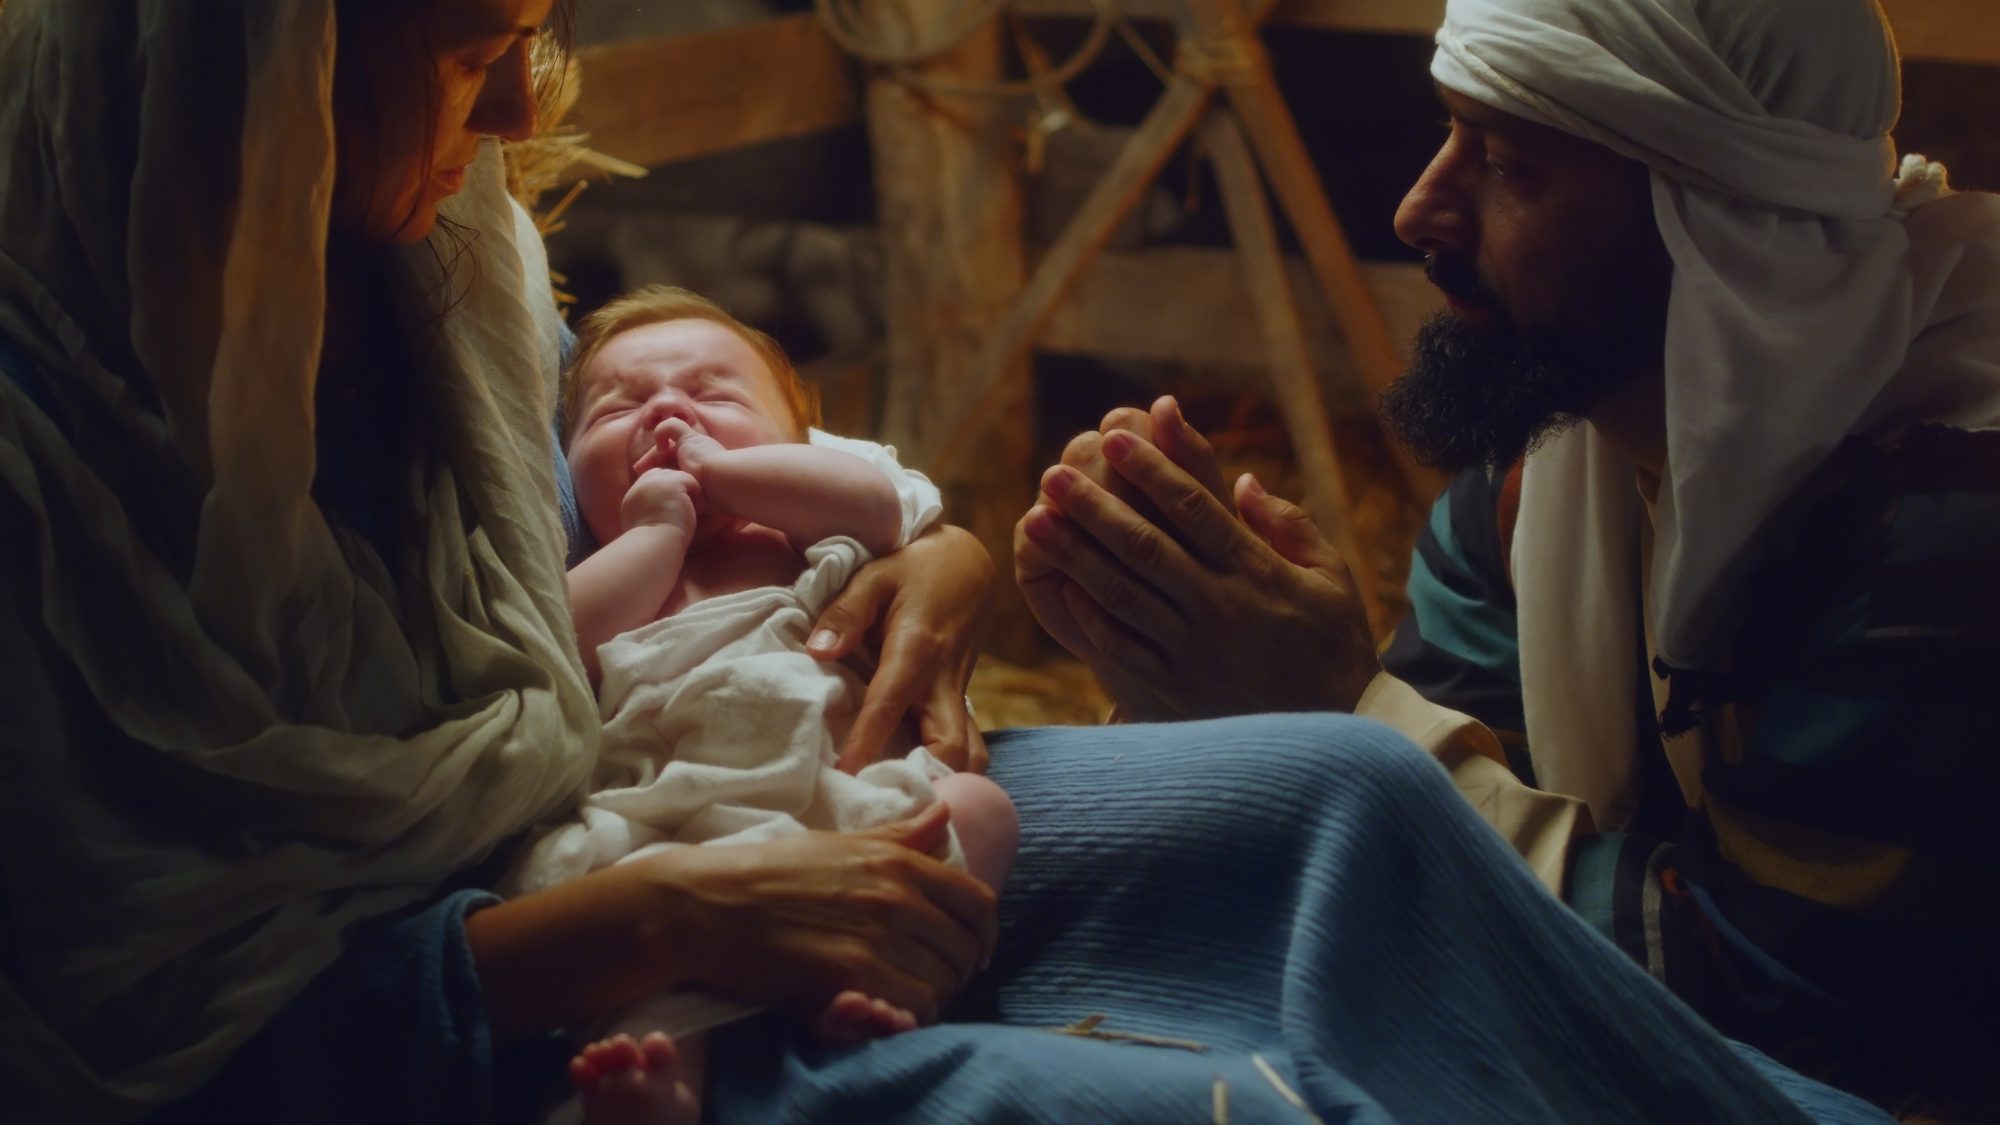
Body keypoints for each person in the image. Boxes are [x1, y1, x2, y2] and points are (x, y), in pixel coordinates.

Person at [0, 1, 1901, 1122]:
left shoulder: (439, 285)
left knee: (1339, 790)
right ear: (244, 72)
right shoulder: (48, 480)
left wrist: (940, 562)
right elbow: (119, 1048)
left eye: (531, 39)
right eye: (469, 52)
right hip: (513, 974)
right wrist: (669, 922)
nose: (517, 119)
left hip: (712, 810)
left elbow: (638, 550)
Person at [1017, 0, 2000, 1114]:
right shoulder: (1542, 476)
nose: (1416, 210)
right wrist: (1194, 678)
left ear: (1718, 221)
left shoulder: (1949, 524)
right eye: (1451, 133)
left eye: (1511, 166)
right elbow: (1448, 802)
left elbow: (1768, 1003)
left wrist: (1333, 714)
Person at [516, 286, 1017, 1123]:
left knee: (980, 810)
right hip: (666, 823)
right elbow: (557, 646)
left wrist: (723, 475)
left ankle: (883, 980)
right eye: (616, 409)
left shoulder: (804, 537)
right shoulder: (605, 564)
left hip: (842, 792)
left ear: (804, 440)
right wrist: (656, 535)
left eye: (715, 395)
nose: (668, 411)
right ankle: (658, 1071)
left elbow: (877, 504)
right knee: (632, 945)